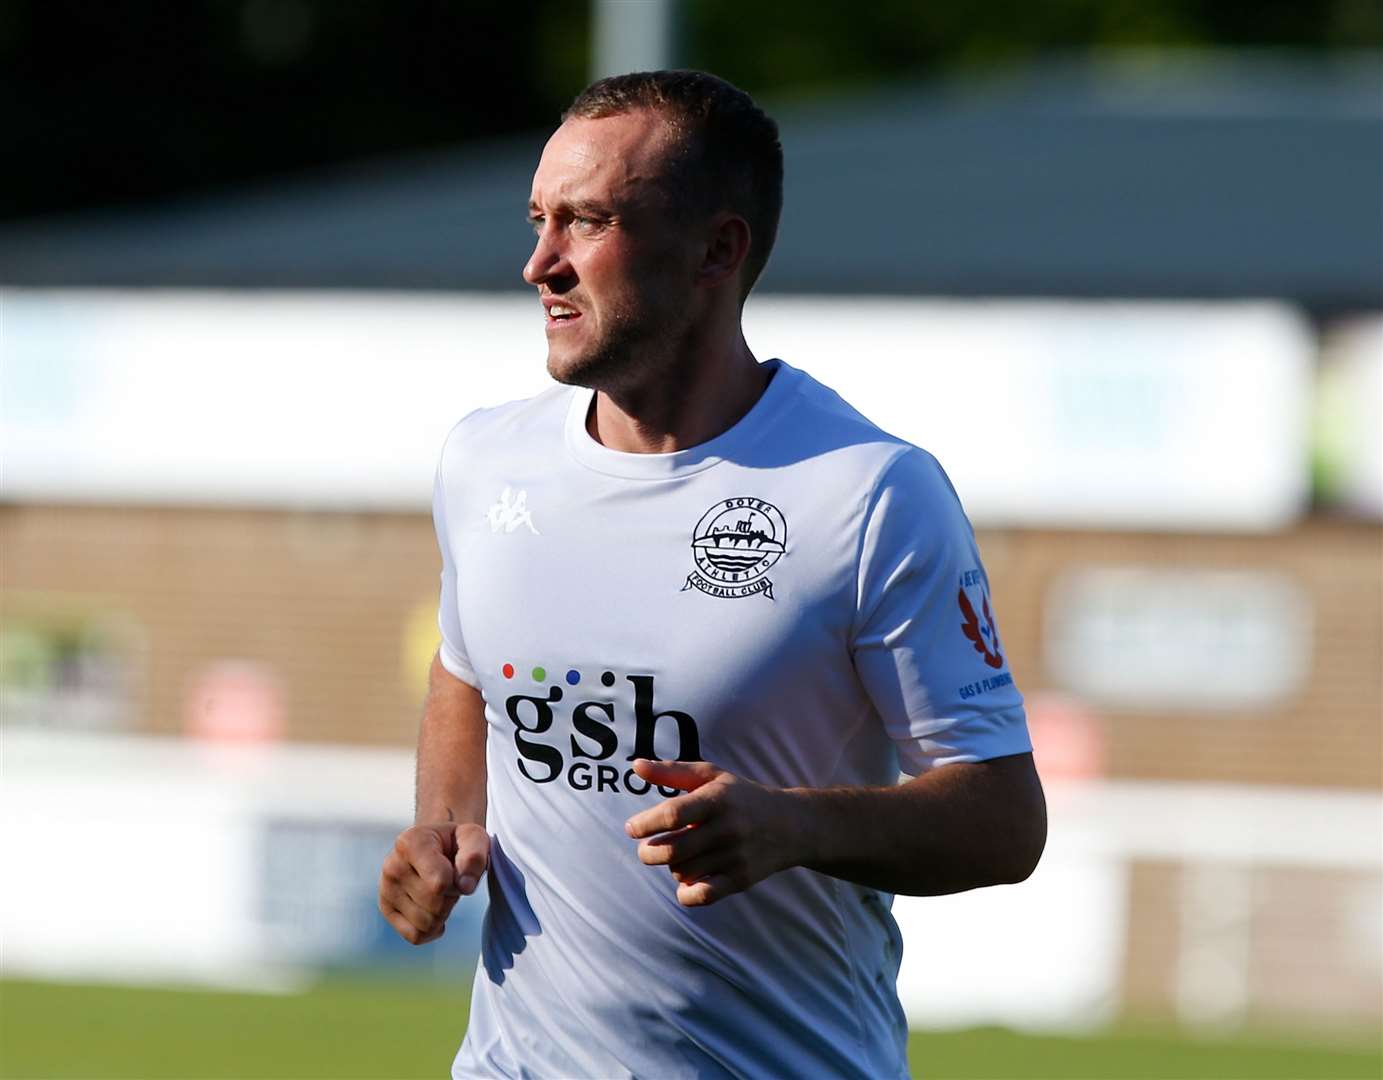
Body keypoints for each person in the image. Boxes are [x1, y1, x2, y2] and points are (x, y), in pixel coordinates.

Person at [377, 69, 1046, 1079]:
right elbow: (467, 675)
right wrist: (445, 824)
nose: (539, 265)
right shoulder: (485, 462)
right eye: (538, 219)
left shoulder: (868, 493)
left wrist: (794, 825)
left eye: (587, 222)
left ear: (718, 250)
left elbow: (1004, 823)